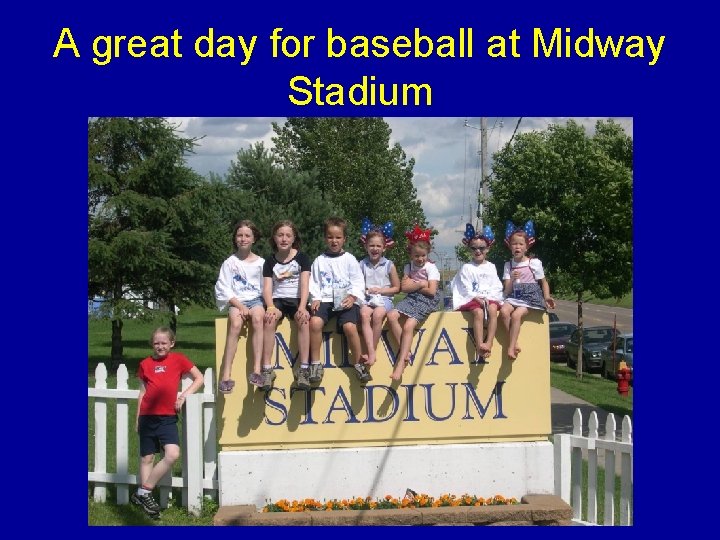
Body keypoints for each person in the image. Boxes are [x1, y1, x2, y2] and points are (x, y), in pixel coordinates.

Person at [132, 327, 204, 519]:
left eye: (164, 343)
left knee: (172, 454)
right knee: (147, 458)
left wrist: (183, 396)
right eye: (156, 343)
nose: (160, 346)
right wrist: (137, 418)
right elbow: (142, 393)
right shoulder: (145, 364)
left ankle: (143, 491)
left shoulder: (178, 359)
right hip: (147, 416)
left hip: (167, 418)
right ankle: (147, 501)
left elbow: (199, 378)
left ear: (171, 343)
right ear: (152, 344)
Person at [308, 216, 368, 387]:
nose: (334, 241)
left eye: (338, 237)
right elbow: (314, 283)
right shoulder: (319, 261)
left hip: (345, 299)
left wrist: (353, 296)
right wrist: (316, 298)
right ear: (325, 238)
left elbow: (358, 282)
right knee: (315, 323)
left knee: (350, 327)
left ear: (344, 239)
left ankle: (359, 364)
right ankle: (316, 365)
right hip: (325, 299)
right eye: (330, 237)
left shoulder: (349, 259)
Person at [214, 220, 265, 393]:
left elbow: (265, 287)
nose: (243, 239)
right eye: (239, 235)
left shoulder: (261, 263)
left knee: (258, 319)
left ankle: (257, 370)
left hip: (256, 300)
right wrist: (239, 306)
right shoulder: (230, 263)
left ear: (253, 239)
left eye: (247, 236)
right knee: (235, 324)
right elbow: (223, 287)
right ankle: (226, 375)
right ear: (235, 238)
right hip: (237, 301)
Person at [260, 220, 312, 391]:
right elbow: (267, 287)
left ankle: (304, 369)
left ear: (293, 238)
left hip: (297, 299)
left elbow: (305, 284)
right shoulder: (270, 261)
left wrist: (303, 307)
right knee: (268, 320)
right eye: (280, 235)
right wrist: (270, 307)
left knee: (303, 320)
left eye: (288, 235)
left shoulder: (302, 258)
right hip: (278, 299)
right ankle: (267, 370)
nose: (284, 239)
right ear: (274, 238)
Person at [387, 224, 441, 381]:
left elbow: (431, 291)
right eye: (417, 256)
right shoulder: (408, 267)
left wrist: (414, 285)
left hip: (427, 299)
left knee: (409, 325)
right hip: (412, 297)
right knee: (391, 316)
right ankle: (406, 352)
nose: (420, 259)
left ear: (427, 253)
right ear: (411, 254)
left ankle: (400, 364)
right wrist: (420, 284)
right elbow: (404, 287)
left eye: (423, 255)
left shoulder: (431, 268)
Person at [499, 220, 556, 360]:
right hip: (514, 295)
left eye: (520, 244)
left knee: (516, 315)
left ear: (526, 247)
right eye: (514, 244)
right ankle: (513, 341)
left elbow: (543, 281)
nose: (517, 247)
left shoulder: (533, 263)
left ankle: (510, 347)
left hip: (529, 297)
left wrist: (547, 296)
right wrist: (512, 278)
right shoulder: (508, 265)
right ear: (510, 247)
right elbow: (506, 290)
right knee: (504, 312)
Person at [451, 223, 504, 361]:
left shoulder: (491, 267)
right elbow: (465, 287)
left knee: (492, 309)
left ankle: (489, 342)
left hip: (489, 297)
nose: (478, 251)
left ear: (487, 249)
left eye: (481, 248)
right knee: (478, 313)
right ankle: (480, 344)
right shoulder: (467, 268)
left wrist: (488, 298)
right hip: (472, 299)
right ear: (470, 249)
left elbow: (496, 285)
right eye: (474, 248)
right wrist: (476, 298)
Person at [358, 218, 400, 367]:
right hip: (368, 298)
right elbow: (358, 285)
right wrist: (365, 291)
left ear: (384, 248)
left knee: (377, 315)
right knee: (364, 314)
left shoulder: (389, 265)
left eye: (378, 246)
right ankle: (370, 350)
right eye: (371, 245)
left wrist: (381, 290)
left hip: (384, 299)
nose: (375, 249)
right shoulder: (362, 264)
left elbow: (396, 287)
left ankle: (372, 351)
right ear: (366, 247)